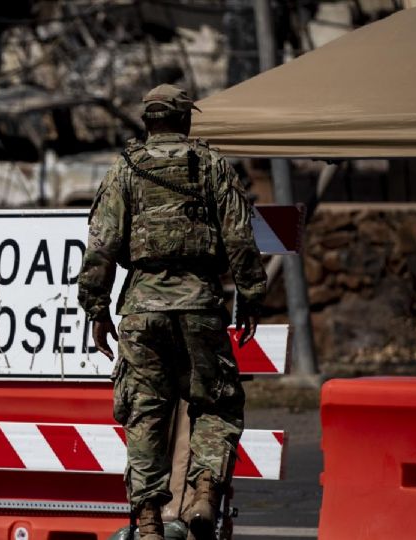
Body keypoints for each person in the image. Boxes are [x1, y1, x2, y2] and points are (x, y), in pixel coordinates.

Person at [77, 84, 266, 540]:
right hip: (200, 305)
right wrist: (251, 295)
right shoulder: (212, 166)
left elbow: (101, 245)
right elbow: (240, 237)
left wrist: (97, 308)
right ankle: (203, 493)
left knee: (145, 414)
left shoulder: (124, 169)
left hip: (142, 312)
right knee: (216, 404)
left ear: (147, 121)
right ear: (185, 120)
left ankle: (147, 523)